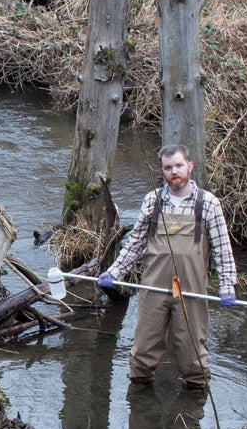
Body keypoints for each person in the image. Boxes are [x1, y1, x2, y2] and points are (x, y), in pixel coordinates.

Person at [98, 145, 238, 389]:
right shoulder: (153, 200)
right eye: (168, 167)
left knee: (192, 353)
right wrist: (115, 271)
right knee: (143, 349)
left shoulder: (208, 203)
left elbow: (222, 248)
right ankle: (140, 401)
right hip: (154, 287)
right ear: (162, 171)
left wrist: (227, 286)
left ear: (190, 167)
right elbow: (136, 243)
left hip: (191, 290)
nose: (174, 171)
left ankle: (194, 400)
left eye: (179, 166)